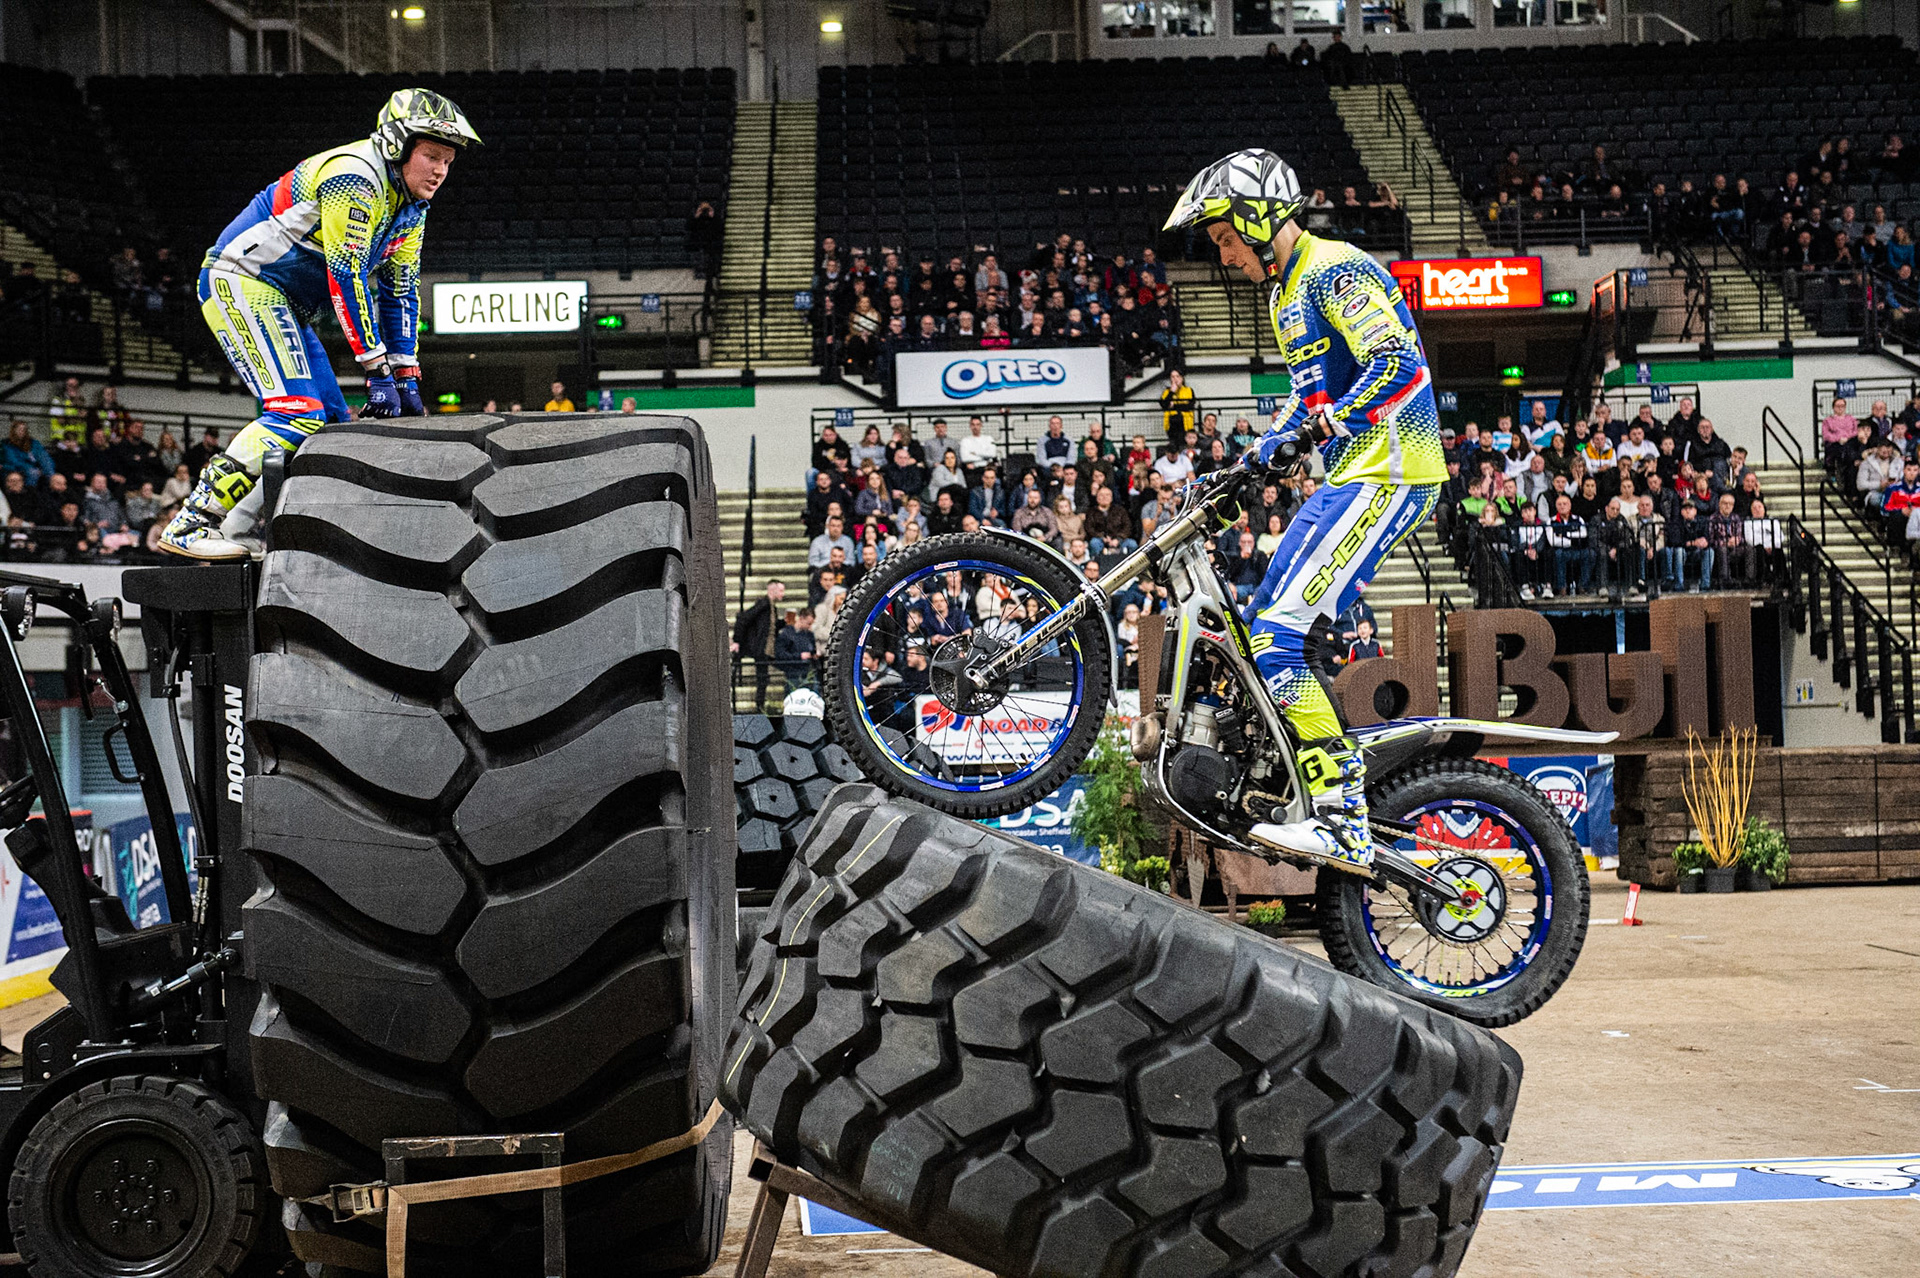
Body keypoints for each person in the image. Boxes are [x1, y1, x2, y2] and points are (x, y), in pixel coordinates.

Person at [1165, 149, 1445, 867]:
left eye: (1227, 237)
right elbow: (1309, 396)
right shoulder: (1284, 293)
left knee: (1280, 635)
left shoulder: (1335, 269)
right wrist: (1258, 455)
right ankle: (1303, 783)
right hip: (1351, 474)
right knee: (1264, 629)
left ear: (1259, 220)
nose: (1225, 255)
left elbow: (1398, 364)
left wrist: (1324, 426)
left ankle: (1342, 816)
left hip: (1391, 469)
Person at [161, 88, 481, 557]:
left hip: (285, 300)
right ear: (397, 143)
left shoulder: (412, 205)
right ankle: (191, 525)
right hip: (242, 279)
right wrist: (377, 371)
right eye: (431, 155)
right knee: (295, 411)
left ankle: (245, 530)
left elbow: (399, 290)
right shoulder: (354, 177)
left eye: (448, 161)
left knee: (329, 425)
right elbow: (347, 277)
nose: (440, 171)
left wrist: (407, 376)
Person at [731, 579, 786, 710]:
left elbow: (769, 626)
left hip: (767, 648)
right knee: (762, 678)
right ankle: (759, 706)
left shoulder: (772, 607)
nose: (783, 594)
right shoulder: (764, 604)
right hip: (760, 647)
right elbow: (743, 618)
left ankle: (760, 704)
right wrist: (737, 640)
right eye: (781, 590)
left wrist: (783, 622)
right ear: (773, 590)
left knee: (764, 677)